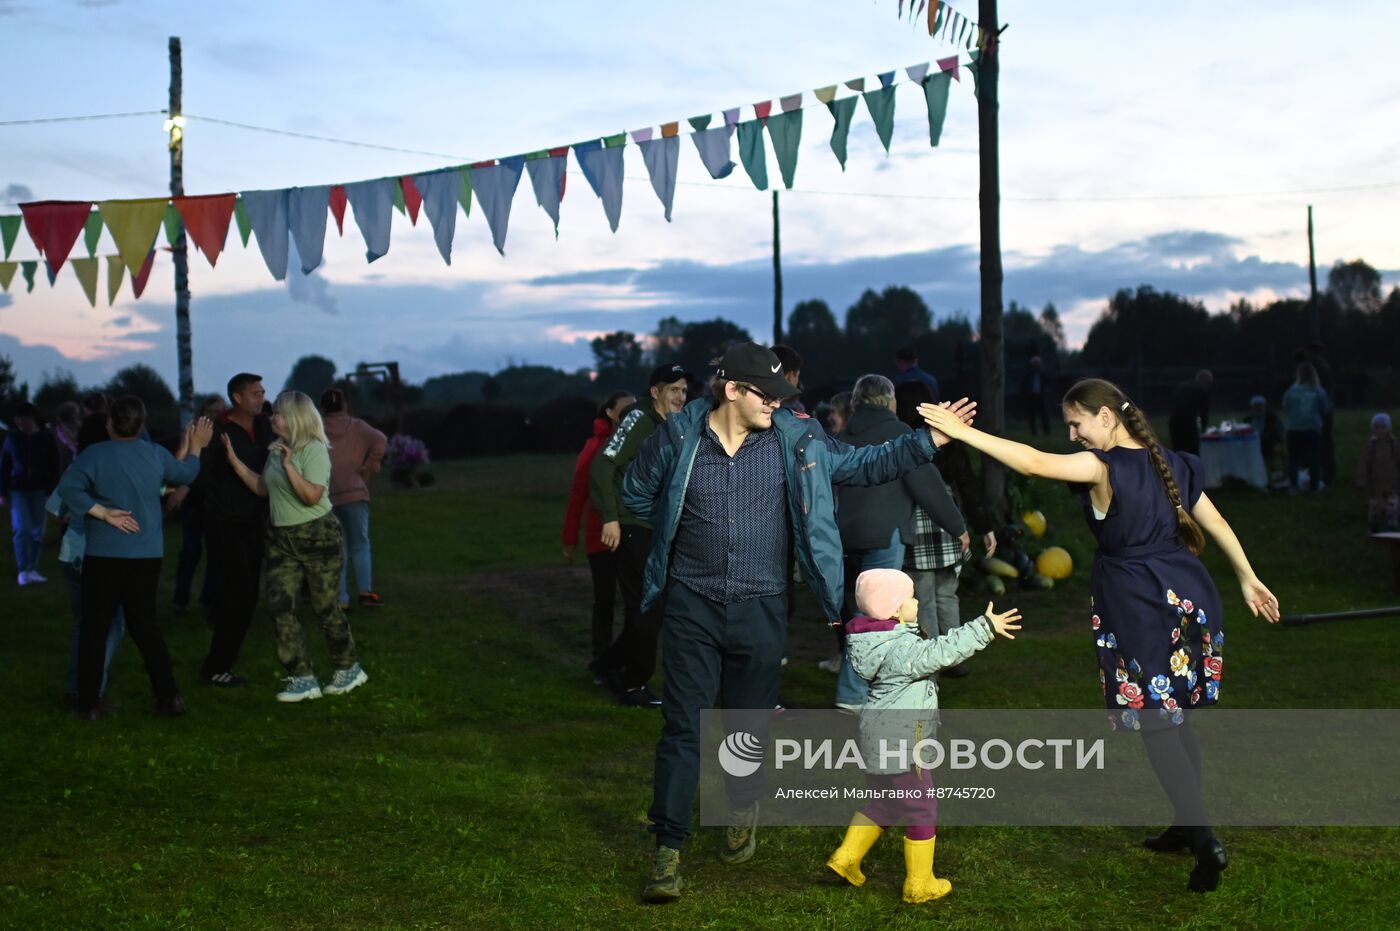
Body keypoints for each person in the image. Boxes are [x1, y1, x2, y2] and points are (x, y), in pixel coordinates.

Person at [621, 342, 976, 903]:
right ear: (732, 390)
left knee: (746, 727)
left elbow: (863, 464)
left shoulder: (797, 437)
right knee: (684, 728)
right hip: (692, 606)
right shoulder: (678, 436)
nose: (780, 402)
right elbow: (636, 494)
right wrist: (672, 522)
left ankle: (739, 806)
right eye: (768, 393)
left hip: (763, 607)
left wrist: (928, 440)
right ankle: (668, 849)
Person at [923, 378, 1281, 893]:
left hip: (1138, 604)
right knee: (1175, 716)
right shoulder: (1175, 462)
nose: (1072, 434)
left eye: (1077, 422)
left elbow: (1031, 462)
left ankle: (1204, 838)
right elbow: (1217, 521)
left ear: (1107, 417)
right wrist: (1246, 576)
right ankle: (1186, 824)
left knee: (1158, 721)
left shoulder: (1103, 467)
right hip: (1188, 598)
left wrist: (962, 433)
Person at [826, 568, 1020, 903]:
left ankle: (845, 858)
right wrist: (984, 627)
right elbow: (941, 652)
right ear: (895, 609)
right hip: (904, 742)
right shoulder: (902, 650)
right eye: (912, 597)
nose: (918, 601)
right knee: (922, 808)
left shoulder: (869, 641)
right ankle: (919, 884)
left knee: (885, 802)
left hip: (874, 735)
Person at [57, 396, 213, 719]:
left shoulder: (94, 455)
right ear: (141, 424)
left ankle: (87, 703)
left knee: (94, 628)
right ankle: (169, 698)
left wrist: (101, 512)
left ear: (109, 423)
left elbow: (68, 488)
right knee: (146, 627)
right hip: (146, 556)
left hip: (104, 555)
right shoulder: (154, 454)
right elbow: (186, 474)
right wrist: (197, 446)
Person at [223, 390, 367, 703]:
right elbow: (263, 488)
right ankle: (302, 677)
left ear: (294, 418)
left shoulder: (313, 449)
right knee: (280, 606)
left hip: (318, 536)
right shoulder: (276, 449)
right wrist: (235, 462)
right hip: (281, 539)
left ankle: (348, 668)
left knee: (325, 608)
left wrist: (290, 466)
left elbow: (311, 496)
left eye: (278, 413)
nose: (271, 416)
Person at [833, 374, 965, 712]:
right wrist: (957, 526)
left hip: (844, 534)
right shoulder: (900, 435)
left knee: (859, 608)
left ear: (856, 402)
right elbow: (928, 485)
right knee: (878, 615)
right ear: (890, 402)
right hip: (884, 533)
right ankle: (853, 693)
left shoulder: (842, 434)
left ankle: (858, 685)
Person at [588, 363, 689, 707]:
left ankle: (608, 664)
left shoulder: (671, 426)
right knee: (647, 607)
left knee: (651, 608)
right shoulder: (639, 420)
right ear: (655, 392)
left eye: (684, 390)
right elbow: (603, 464)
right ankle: (633, 684)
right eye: (673, 389)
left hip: (654, 527)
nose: (680, 396)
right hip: (632, 525)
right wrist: (611, 518)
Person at [895, 380, 997, 677]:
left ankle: (932, 663)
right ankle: (956, 658)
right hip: (950, 525)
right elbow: (967, 482)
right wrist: (984, 526)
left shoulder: (906, 441)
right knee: (947, 595)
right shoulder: (948, 436)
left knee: (922, 599)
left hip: (918, 527)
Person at [196, 373, 275, 687]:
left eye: (262, 392)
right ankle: (217, 667)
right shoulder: (218, 430)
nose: (261, 397)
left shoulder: (266, 426)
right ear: (237, 397)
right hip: (224, 522)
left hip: (254, 520)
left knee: (248, 594)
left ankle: (219, 663)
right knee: (237, 593)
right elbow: (202, 474)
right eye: (255, 393)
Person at [47, 412, 127, 711]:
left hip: (73, 555)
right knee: (109, 624)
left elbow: (54, 511)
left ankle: (78, 689)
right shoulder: (112, 467)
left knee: (88, 624)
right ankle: (91, 691)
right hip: (95, 557)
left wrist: (75, 516)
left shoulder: (78, 468)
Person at [561, 390, 635, 668]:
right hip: (600, 535)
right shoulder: (594, 448)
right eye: (625, 409)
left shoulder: (640, 442)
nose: (631, 414)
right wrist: (570, 538)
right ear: (610, 413)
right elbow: (577, 493)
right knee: (604, 599)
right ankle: (601, 656)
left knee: (635, 601)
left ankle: (618, 656)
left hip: (631, 531)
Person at [320, 387, 388, 610]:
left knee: (338, 548)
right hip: (355, 492)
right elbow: (381, 439)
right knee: (360, 544)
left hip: (325, 495)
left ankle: (341, 600)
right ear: (345, 404)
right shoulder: (358, 427)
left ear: (322, 407)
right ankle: (366, 592)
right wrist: (369, 466)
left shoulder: (316, 428)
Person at [167, 395, 229, 615]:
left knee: (215, 554)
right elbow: (185, 463)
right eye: (212, 411)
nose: (216, 414)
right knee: (190, 551)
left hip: (216, 503)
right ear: (204, 412)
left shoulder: (227, 435)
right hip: (194, 502)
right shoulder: (194, 432)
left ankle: (208, 599)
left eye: (220, 410)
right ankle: (181, 599)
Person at [1, 401, 62, 586]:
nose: (19, 422)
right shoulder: (12, 439)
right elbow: (4, 465)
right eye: (17, 419)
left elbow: (54, 465)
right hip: (18, 489)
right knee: (22, 528)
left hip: (40, 490)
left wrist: (52, 489)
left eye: (22, 419)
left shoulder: (46, 438)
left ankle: (32, 568)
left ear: (32, 418)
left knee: (37, 531)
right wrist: (2, 492)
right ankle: (23, 570)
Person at [1282, 363, 1331, 494]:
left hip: (1293, 429)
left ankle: (1293, 486)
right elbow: (1325, 409)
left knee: (1293, 458)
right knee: (1314, 458)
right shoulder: (1319, 391)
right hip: (1312, 428)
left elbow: (1285, 407)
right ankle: (1314, 486)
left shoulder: (1291, 391)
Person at [1356, 413, 1400, 532]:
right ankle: (1374, 524)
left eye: (1383, 427)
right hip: (1375, 483)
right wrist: (1361, 479)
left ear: (1388, 428)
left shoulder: (1394, 444)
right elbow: (1363, 463)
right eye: (1376, 427)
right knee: (1375, 505)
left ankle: (1392, 524)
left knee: (1393, 504)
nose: (1380, 430)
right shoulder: (1371, 445)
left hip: (1392, 481)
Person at [1168, 370, 1213, 455]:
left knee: (1178, 450)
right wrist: (1204, 428)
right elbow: (1204, 412)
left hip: (1174, 422)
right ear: (1206, 381)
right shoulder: (1202, 390)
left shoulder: (1182, 387)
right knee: (1192, 451)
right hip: (1188, 423)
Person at [1244, 395, 1283, 482]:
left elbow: (1278, 432)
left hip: (1267, 443)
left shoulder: (1271, 418)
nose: (1258, 408)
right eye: (1256, 406)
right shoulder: (1248, 419)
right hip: (1250, 443)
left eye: (1260, 406)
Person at [1019, 355, 1051, 435]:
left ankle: (1046, 432)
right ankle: (1034, 432)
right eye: (1034, 363)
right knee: (1032, 415)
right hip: (1031, 396)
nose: (1036, 365)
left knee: (1044, 414)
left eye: (1037, 363)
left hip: (1041, 396)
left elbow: (1048, 380)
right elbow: (1024, 384)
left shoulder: (1043, 372)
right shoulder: (1029, 373)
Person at [53, 401, 82, 474]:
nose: (78, 415)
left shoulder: (81, 428)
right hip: (63, 469)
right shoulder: (57, 432)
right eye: (76, 413)